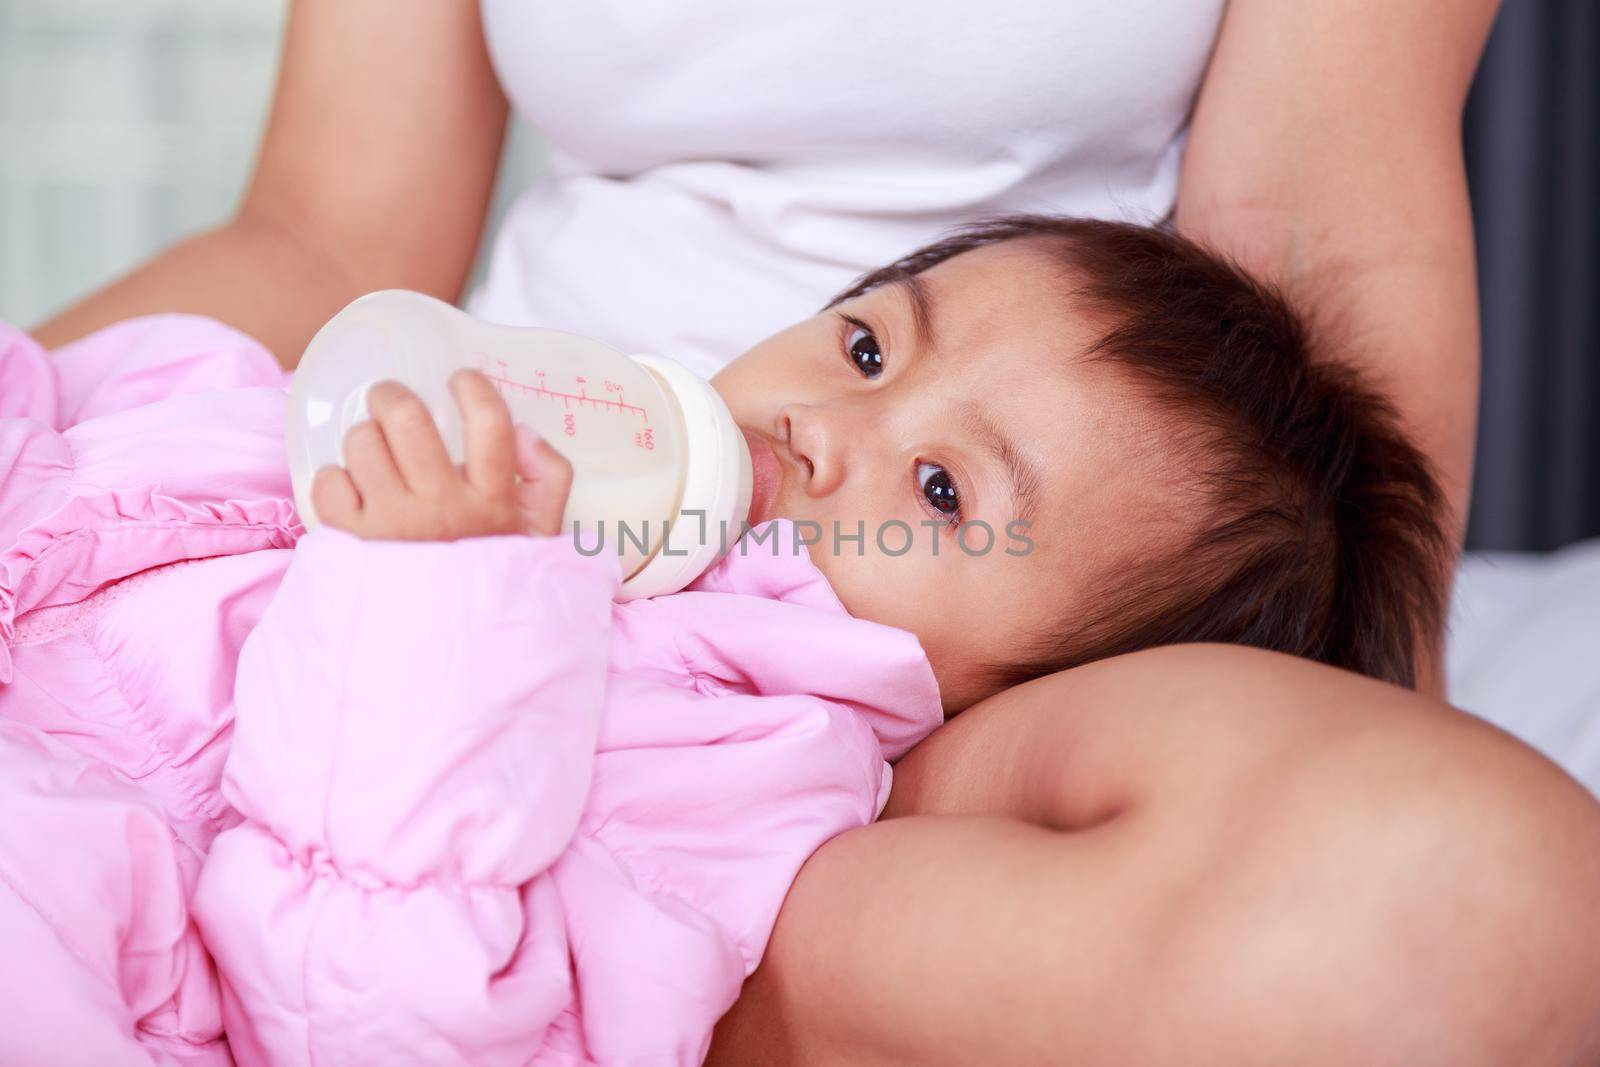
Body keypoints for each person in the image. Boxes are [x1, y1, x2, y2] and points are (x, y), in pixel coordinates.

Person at [28, 2, 1600, 1062]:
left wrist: (435, 607)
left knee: (1462, 912)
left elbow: (368, 972)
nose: (823, 434)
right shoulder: (427, 472)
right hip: (505, 462)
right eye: (858, 348)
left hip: (1038, 577)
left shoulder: (730, 760)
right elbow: (298, 261)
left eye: (932, 488)